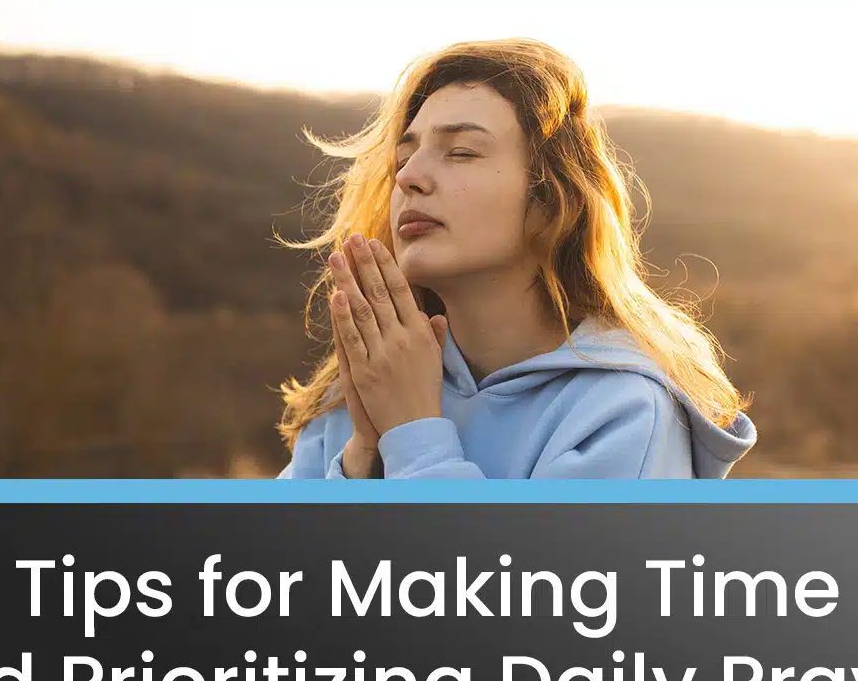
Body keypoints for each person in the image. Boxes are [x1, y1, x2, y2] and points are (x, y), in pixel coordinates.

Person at [274, 38, 756, 479]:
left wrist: (414, 435)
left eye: (461, 152)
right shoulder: (369, 386)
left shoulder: (620, 412)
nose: (409, 177)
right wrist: (362, 457)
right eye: (402, 159)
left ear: (551, 202)